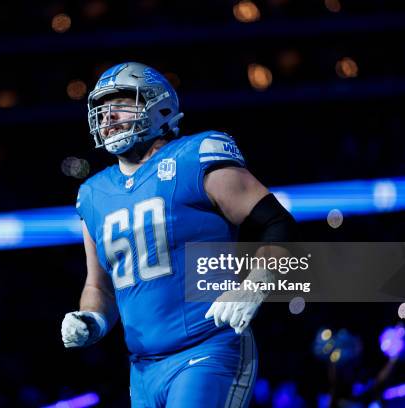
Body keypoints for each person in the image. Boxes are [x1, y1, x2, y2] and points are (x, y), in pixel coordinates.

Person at [61, 62, 298, 407]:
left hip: (208, 348)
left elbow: (278, 223)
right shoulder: (93, 194)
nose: (108, 116)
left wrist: (255, 283)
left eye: (121, 102)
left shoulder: (195, 156)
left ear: (160, 105)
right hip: (142, 369)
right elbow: (99, 286)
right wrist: (91, 319)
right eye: (103, 107)